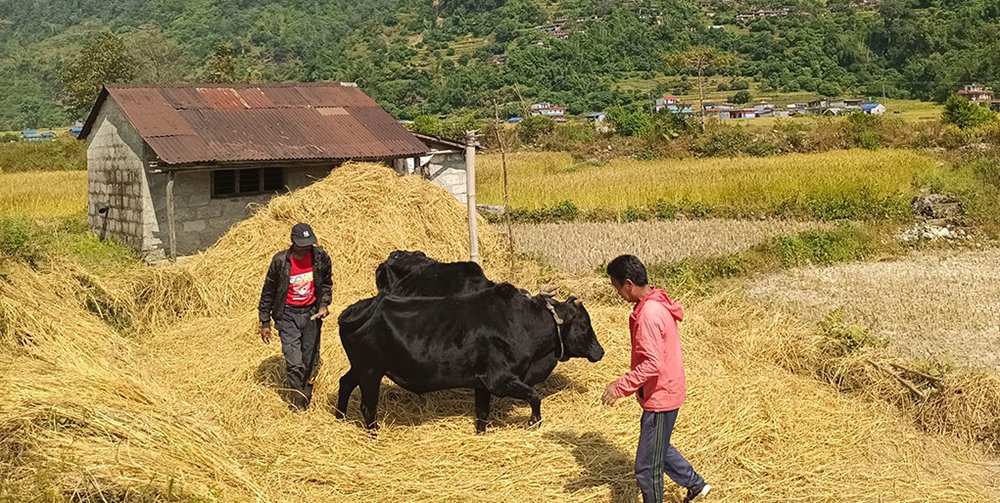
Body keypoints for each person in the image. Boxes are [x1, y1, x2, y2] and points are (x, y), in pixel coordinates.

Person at [602, 254, 711, 503]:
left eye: (617, 287)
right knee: (659, 448)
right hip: (666, 389)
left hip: (661, 395)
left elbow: (652, 363)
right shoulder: (656, 301)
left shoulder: (648, 315)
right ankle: (696, 485)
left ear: (628, 284)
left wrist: (620, 387)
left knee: (646, 467)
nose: (618, 294)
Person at [258, 223, 333, 410]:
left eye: (308, 243)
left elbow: (326, 283)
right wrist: (265, 321)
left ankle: (305, 393)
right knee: (294, 361)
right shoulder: (280, 261)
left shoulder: (320, 258)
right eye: (302, 244)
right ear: (293, 242)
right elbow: (268, 291)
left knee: (310, 359)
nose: (305, 247)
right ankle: (297, 400)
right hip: (288, 315)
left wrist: (323, 305)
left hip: (311, 315)